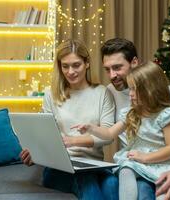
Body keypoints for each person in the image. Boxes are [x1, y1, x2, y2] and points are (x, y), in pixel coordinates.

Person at [101, 38, 170, 200]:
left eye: (117, 68)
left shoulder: (162, 92)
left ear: (134, 62)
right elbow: (107, 133)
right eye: (107, 69)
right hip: (141, 166)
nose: (112, 75)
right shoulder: (108, 93)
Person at [73, 61, 170, 200]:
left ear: (151, 89)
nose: (131, 94)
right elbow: (109, 133)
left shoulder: (165, 115)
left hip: (161, 163)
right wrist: (91, 128)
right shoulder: (131, 113)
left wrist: (146, 157)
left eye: (135, 89)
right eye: (130, 88)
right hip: (137, 162)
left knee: (164, 192)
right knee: (126, 169)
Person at [20, 39, 118, 200]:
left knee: (112, 183)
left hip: (93, 164)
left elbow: (107, 136)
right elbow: (44, 135)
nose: (70, 71)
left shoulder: (102, 93)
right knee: (87, 181)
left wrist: (74, 141)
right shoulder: (51, 95)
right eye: (65, 66)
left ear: (86, 63)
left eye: (76, 65)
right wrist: (34, 154)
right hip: (60, 167)